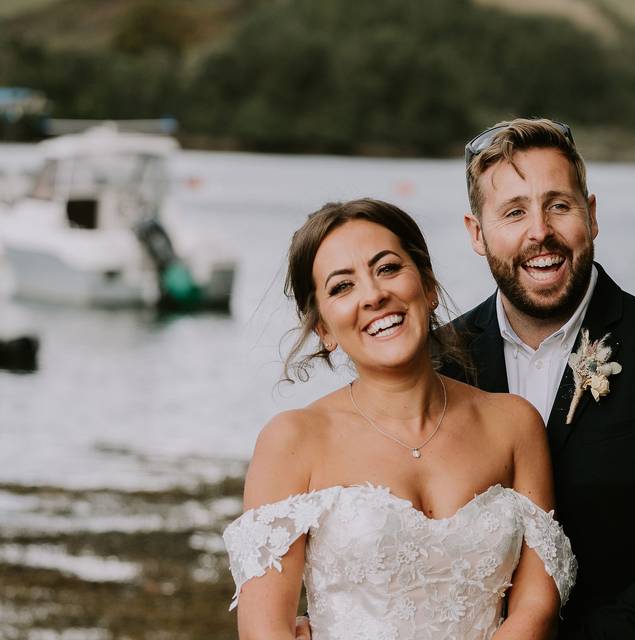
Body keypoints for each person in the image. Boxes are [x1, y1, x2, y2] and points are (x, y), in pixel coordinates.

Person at [444, 118, 635, 639]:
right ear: (477, 233)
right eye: (514, 212)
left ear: (593, 214)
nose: (540, 231)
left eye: (559, 205)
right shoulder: (442, 361)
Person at [222, 198, 576, 639]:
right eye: (341, 287)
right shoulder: (293, 440)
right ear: (324, 330)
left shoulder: (514, 425)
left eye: (388, 268)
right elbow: (264, 631)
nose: (373, 295)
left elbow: (536, 605)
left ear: (427, 287)